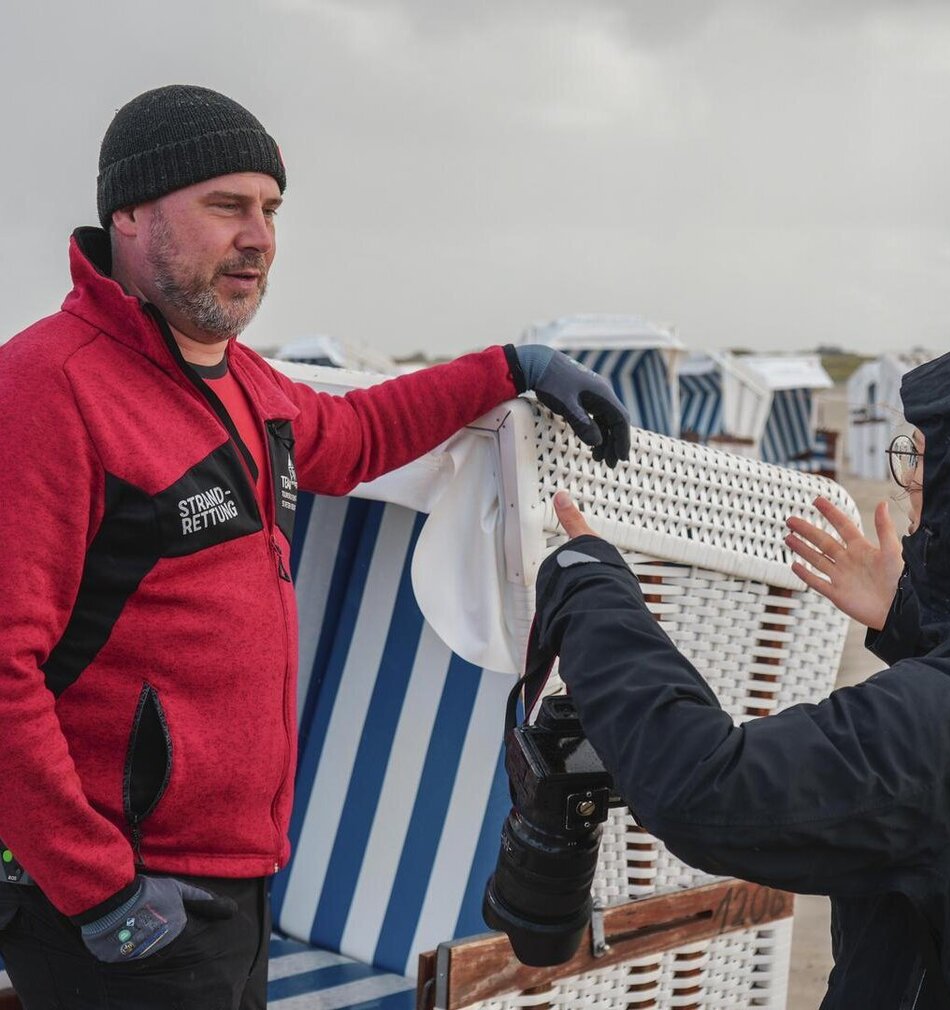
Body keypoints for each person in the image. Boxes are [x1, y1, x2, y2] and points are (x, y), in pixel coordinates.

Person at [0, 84, 630, 1009]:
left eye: (271, 210)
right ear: (128, 214)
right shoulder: (49, 388)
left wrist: (509, 370)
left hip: (237, 884)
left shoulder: (244, 384)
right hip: (119, 899)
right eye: (227, 206)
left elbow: (357, 434)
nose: (259, 237)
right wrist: (100, 889)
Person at [532, 334, 950, 1009]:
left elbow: (706, 789)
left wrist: (590, 588)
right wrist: (914, 624)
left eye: (927, 465)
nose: (910, 493)